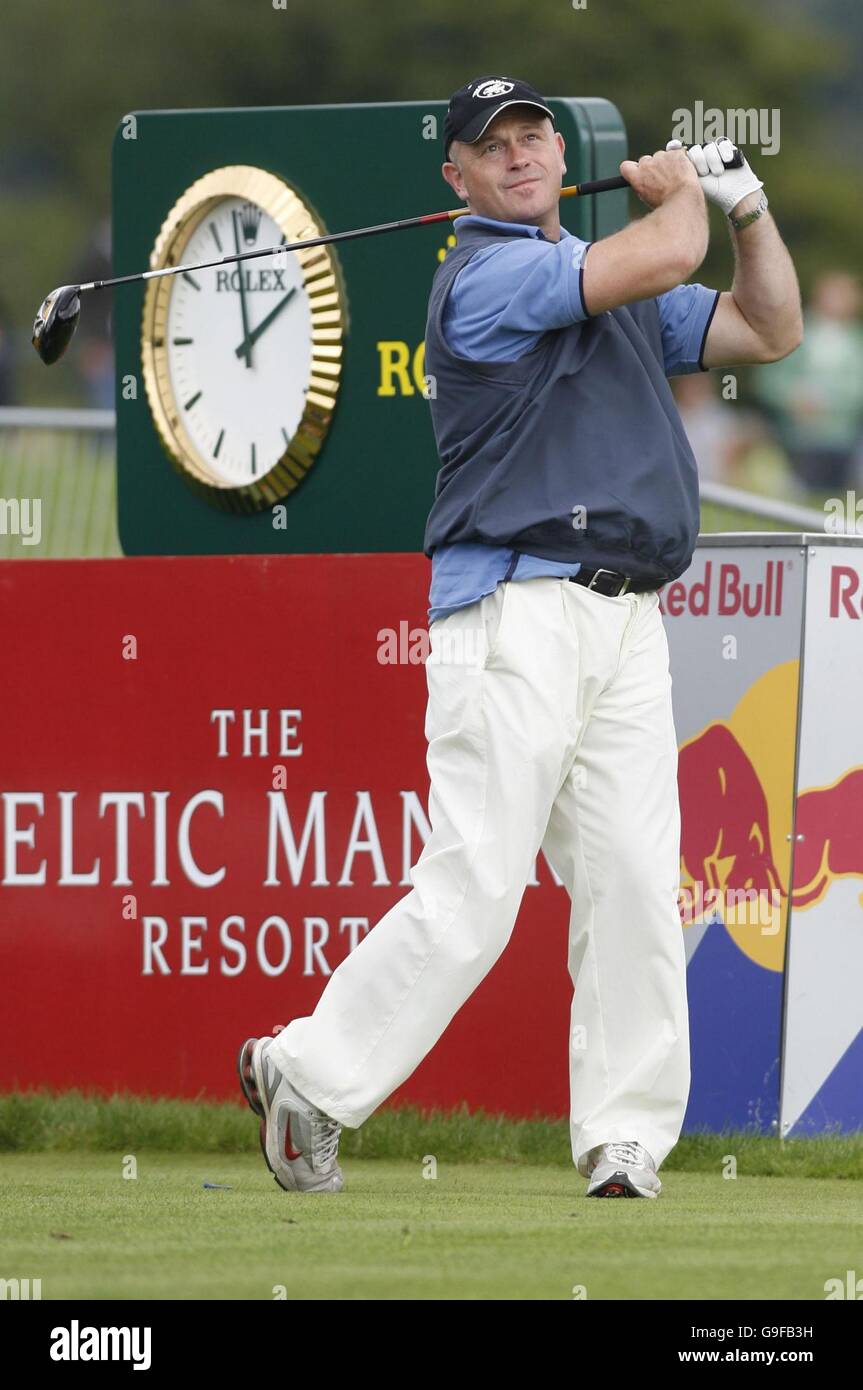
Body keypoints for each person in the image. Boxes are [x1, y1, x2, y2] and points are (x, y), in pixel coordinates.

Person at [238, 76, 802, 1198]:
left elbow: (767, 327)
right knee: (477, 888)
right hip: (512, 612)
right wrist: (685, 195)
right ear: (457, 176)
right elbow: (649, 254)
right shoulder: (487, 277)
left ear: (555, 149)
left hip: (627, 618)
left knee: (636, 888)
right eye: (490, 146)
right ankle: (303, 1073)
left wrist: (747, 213)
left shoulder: (611, 279)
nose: (519, 155)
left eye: (532, 135)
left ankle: (622, 1137)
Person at [750, 270, 863, 494]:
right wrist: (793, 398)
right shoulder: (795, 332)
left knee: (838, 498)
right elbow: (768, 379)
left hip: (843, 437)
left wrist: (827, 402)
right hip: (794, 435)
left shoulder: (857, 342)